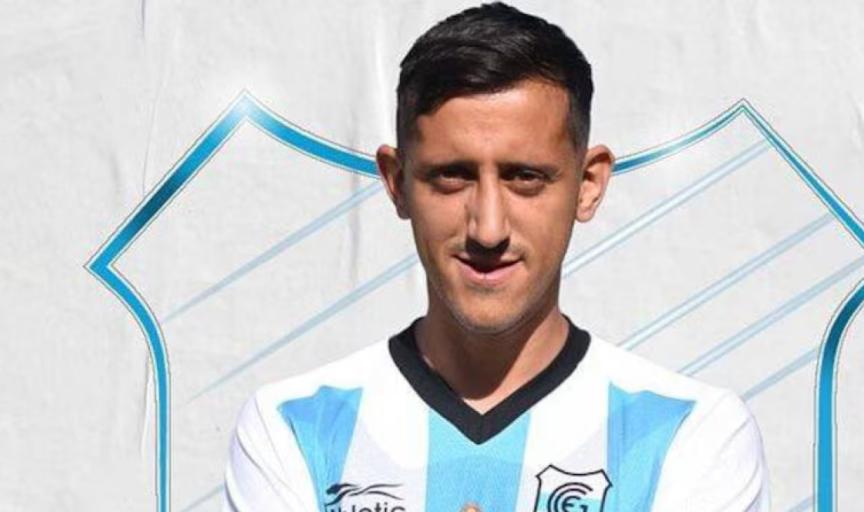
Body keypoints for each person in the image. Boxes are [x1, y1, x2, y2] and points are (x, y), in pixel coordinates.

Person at [223, 3, 770, 511]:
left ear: (588, 185)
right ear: (396, 183)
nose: (488, 229)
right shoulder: (291, 428)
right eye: (452, 176)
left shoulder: (693, 435)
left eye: (525, 177)